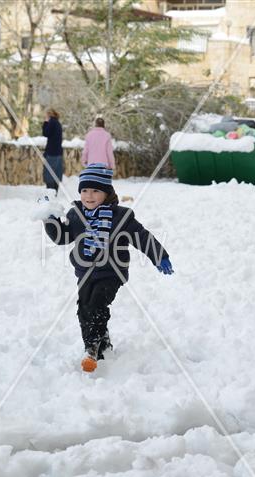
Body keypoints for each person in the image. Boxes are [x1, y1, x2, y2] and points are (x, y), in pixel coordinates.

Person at [37, 164, 174, 373]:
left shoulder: (120, 216)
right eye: (84, 190)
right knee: (84, 308)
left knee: (98, 303)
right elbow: (62, 237)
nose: (88, 196)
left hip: (112, 272)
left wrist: (159, 255)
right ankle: (103, 341)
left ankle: (92, 349)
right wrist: (49, 218)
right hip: (85, 273)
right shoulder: (76, 215)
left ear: (106, 193)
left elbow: (141, 236)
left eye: (95, 191)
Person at [42, 108, 63, 194]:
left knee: (49, 172)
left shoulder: (52, 122)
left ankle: (51, 191)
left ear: (49, 114)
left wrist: (45, 123)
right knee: (56, 172)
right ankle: (55, 190)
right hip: (58, 151)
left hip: (51, 152)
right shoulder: (58, 123)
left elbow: (46, 133)